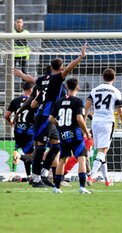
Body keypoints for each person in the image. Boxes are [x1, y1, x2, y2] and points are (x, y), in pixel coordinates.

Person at [29, 43, 87, 188]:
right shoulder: (56, 79)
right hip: (45, 116)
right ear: (60, 68)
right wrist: (80, 57)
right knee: (40, 147)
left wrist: (21, 75)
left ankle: (43, 173)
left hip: (49, 117)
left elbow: (33, 83)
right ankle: (35, 178)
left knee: (56, 146)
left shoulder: (42, 79)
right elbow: (69, 68)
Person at [85, 68, 122, 186]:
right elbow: (120, 111)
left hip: (95, 122)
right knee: (103, 150)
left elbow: (86, 107)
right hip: (107, 122)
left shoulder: (95, 90)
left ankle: (107, 180)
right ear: (114, 78)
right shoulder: (115, 91)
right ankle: (91, 176)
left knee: (101, 151)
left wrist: (84, 121)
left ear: (102, 77)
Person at [49, 78, 91, 194]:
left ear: (66, 88)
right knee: (82, 159)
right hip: (75, 134)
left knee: (62, 160)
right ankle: (82, 187)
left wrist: (60, 125)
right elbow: (79, 118)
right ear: (78, 87)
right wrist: (86, 131)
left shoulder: (59, 101)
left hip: (63, 134)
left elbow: (51, 118)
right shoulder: (78, 101)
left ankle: (56, 188)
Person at [4, 82, 36, 181]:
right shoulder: (34, 102)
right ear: (31, 90)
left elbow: (6, 115)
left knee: (27, 154)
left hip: (18, 130)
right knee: (31, 155)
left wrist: (11, 123)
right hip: (29, 131)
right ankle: (19, 157)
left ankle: (29, 175)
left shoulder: (15, 101)